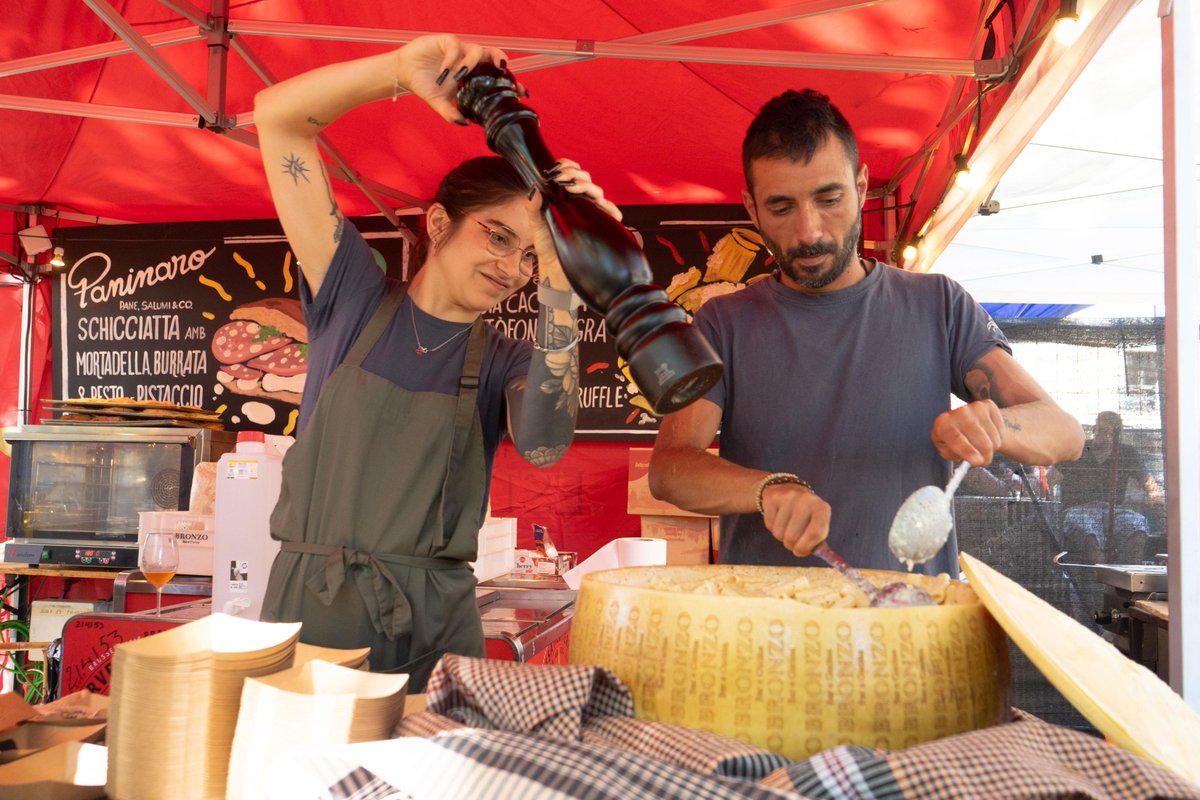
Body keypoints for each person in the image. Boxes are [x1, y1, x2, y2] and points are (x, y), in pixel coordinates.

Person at [253, 34, 620, 688]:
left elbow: (542, 446)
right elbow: (278, 119)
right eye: (498, 238)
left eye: (528, 256)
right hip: (321, 613)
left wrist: (562, 281)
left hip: (441, 635)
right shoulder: (352, 296)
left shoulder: (508, 360)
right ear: (440, 223)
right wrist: (397, 71)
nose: (512, 270)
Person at [648, 88, 1084, 576]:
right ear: (751, 208)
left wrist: (994, 426)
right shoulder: (722, 323)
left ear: (860, 184)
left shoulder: (937, 304)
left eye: (829, 198)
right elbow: (670, 468)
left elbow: (1065, 433)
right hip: (770, 629)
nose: (809, 231)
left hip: (909, 626)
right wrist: (765, 489)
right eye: (781, 207)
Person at [1056, 411, 1164, 564]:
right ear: (1094, 429)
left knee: (1137, 527)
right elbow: (1049, 481)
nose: (1107, 438)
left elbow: (1151, 488)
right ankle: (1101, 581)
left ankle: (1122, 580)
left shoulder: (1128, 453)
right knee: (1088, 532)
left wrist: (1164, 517)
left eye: (1112, 434)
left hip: (1114, 510)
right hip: (1078, 510)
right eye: (1102, 431)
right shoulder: (1077, 449)